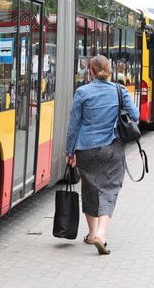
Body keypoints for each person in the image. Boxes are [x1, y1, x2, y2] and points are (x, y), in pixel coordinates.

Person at [65, 55, 139, 255]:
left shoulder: (82, 92)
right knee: (109, 189)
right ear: (110, 71)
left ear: (89, 71)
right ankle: (101, 233)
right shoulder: (119, 90)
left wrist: (69, 151)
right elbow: (136, 115)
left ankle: (90, 234)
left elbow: (74, 125)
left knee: (89, 189)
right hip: (112, 149)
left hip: (85, 149)